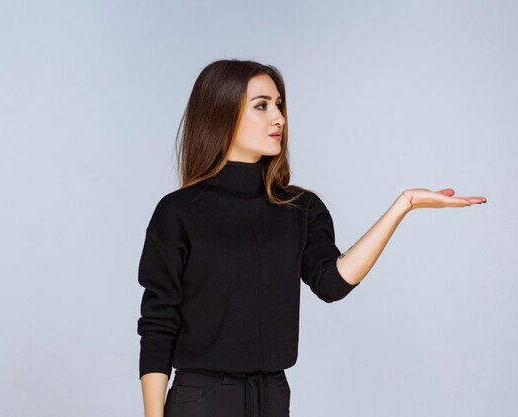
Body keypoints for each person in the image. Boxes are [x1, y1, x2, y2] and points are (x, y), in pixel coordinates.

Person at [137, 59, 487, 417]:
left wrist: (403, 205)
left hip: (272, 395)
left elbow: (332, 283)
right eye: (262, 106)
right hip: (202, 399)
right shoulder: (179, 212)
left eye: (279, 105)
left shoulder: (299, 208)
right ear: (222, 114)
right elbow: (158, 323)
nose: (279, 118)